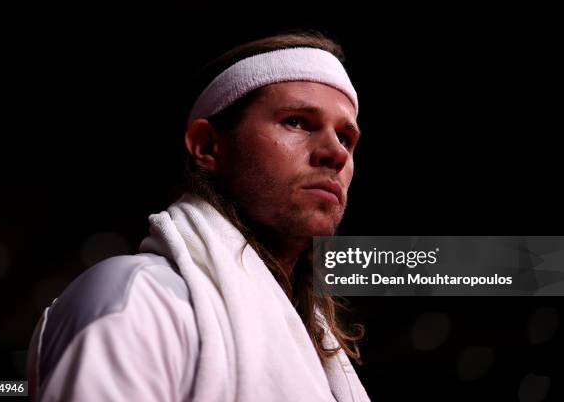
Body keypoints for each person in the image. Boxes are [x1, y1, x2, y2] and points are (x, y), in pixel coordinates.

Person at [27, 30, 371, 402]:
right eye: (297, 122)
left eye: (346, 138)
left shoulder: (317, 348)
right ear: (207, 146)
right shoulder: (139, 299)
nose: (335, 153)